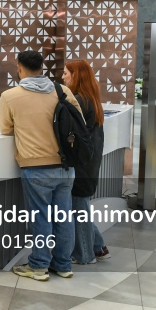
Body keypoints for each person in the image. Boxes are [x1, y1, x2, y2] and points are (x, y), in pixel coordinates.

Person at [0, 50, 84, 281]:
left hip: (35, 166)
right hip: (66, 165)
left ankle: (38, 266)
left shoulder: (10, 96)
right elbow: (80, 122)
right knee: (64, 216)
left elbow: (5, 129)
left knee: (41, 218)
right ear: (42, 67)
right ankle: (63, 265)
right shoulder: (61, 90)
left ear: (19, 67)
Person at [64, 60, 109, 264]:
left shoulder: (79, 101)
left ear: (75, 76)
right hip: (89, 164)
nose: (63, 77)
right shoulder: (91, 99)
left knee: (78, 209)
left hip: (81, 166)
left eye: (66, 73)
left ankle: (85, 255)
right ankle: (98, 247)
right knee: (81, 208)